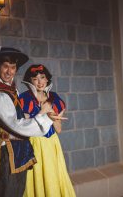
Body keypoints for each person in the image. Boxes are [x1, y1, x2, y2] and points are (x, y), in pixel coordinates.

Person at [0, 47, 59, 197]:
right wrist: (44, 116)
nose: (9, 72)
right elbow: (15, 125)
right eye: (5, 66)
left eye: (13, 67)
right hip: (6, 155)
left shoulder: (9, 90)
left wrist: (34, 115)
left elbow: (15, 119)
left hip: (16, 151)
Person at [19, 64, 76, 197]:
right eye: (35, 78)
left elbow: (58, 129)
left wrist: (51, 113)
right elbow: (24, 127)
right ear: (30, 81)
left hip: (51, 144)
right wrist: (41, 112)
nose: (40, 82)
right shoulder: (23, 99)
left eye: (42, 77)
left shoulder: (55, 99)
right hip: (33, 144)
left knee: (52, 179)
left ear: (47, 79)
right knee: (35, 181)